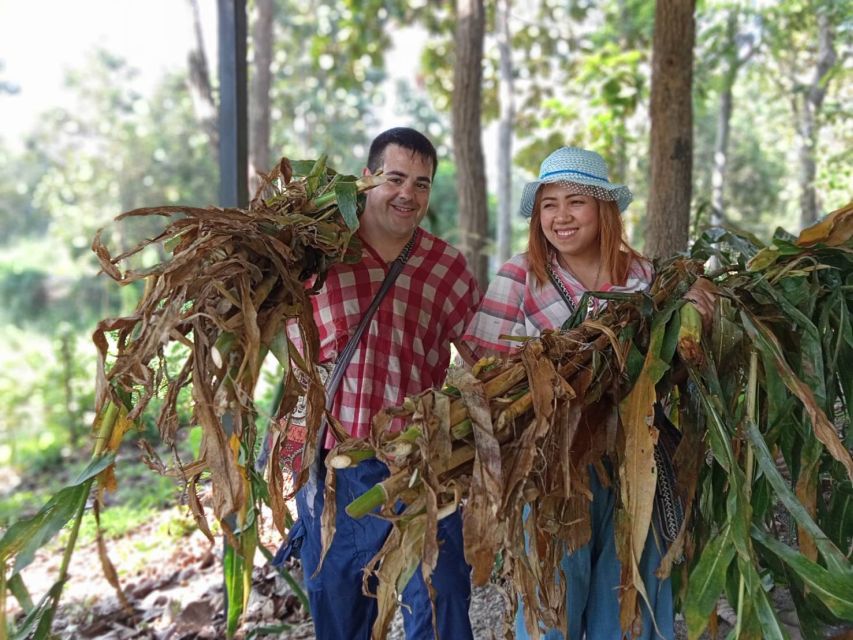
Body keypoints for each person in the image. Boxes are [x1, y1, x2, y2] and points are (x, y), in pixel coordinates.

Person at [462, 146, 714, 640]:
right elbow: (481, 367)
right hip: (556, 467)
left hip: (635, 462)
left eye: (575, 201)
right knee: (554, 599)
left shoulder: (644, 278)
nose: (561, 216)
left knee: (627, 603)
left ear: (604, 209)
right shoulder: (520, 275)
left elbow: (674, 364)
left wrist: (697, 306)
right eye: (549, 204)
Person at [277, 127, 481, 640]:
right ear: (365, 180)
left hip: (417, 464)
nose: (407, 194)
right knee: (338, 607)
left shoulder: (447, 268)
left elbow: (484, 357)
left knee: (439, 596)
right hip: (331, 467)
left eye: (421, 183)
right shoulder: (313, 254)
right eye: (395, 178)